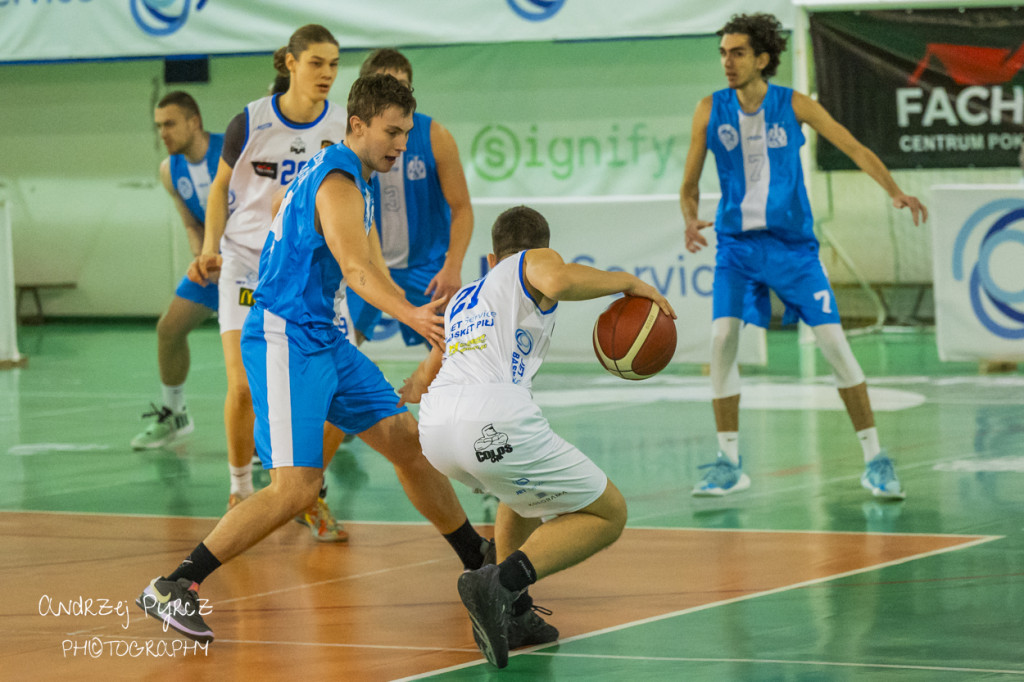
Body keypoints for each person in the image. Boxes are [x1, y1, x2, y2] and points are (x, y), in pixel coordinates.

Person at [137, 73, 491, 644]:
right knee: (296, 489)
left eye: (405, 132)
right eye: (392, 132)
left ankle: (480, 562)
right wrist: (414, 316)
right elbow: (354, 271)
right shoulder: (341, 182)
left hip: (322, 335)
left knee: (407, 441)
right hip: (284, 337)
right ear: (358, 125)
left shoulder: (343, 171)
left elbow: (346, 257)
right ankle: (176, 584)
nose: (401, 144)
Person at [399, 206, 677, 668]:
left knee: (517, 490)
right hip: (491, 419)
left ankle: (516, 613)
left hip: (436, 429)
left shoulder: (469, 295)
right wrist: (630, 282)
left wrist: (407, 387)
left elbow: (430, 371)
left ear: (490, 257)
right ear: (540, 248)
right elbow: (562, 280)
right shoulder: (532, 262)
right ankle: (500, 581)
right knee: (610, 513)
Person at [679, 13, 927, 500]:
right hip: (737, 248)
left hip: (793, 250)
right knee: (722, 340)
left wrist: (895, 190)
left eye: (738, 53)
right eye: (723, 53)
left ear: (764, 59)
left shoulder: (794, 105)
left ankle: (875, 459)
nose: (727, 62)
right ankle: (729, 462)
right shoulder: (710, 109)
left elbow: (853, 147)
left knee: (835, 346)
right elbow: (688, 186)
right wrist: (689, 218)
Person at [188, 25, 350, 536]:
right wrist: (209, 246)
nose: (326, 74)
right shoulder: (250, 121)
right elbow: (219, 189)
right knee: (241, 386)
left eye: (334, 64)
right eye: (317, 63)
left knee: (335, 395)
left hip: (311, 272)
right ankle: (240, 488)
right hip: (247, 263)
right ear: (290, 63)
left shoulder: (344, 124)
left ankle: (308, 490)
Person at [344, 48, 473, 350]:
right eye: (387, 84)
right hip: (369, 266)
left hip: (425, 270)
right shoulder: (350, 142)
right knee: (342, 350)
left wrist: (452, 266)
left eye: (403, 86)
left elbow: (462, 208)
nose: (396, 92)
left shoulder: (435, 135)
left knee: (457, 355)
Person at [131, 92, 223, 451]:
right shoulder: (170, 169)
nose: (162, 134)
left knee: (257, 350)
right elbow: (191, 223)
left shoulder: (232, 153)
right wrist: (201, 256)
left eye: (169, 124)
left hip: (251, 265)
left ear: (194, 122)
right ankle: (175, 414)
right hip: (212, 265)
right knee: (169, 329)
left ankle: (270, 438)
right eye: (158, 126)